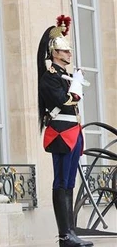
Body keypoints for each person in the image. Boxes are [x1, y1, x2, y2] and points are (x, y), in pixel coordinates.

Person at [37, 15, 93, 247]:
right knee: (61, 181)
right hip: (60, 131)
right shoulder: (50, 77)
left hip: (73, 130)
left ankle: (70, 231)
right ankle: (64, 235)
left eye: (69, 51)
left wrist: (74, 80)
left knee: (70, 182)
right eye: (65, 51)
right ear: (54, 53)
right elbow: (65, 100)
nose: (69, 54)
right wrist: (77, 84)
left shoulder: (64, 76)